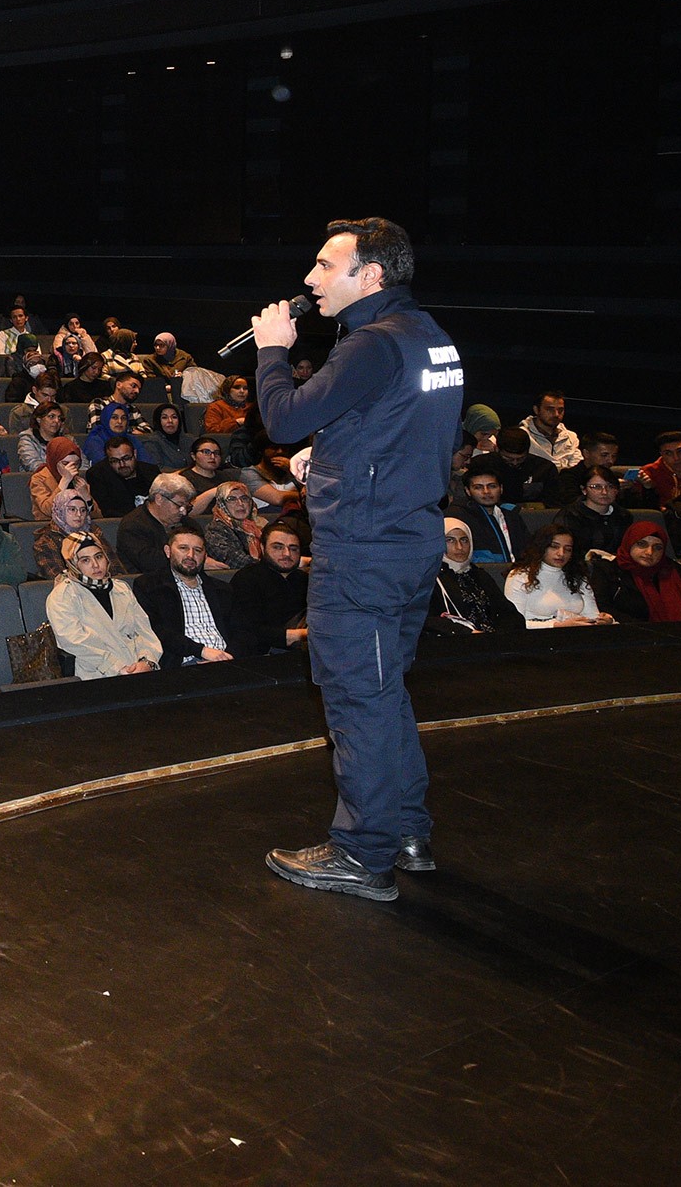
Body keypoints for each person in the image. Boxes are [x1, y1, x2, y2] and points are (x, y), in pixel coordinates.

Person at [250, 218, 460, 900]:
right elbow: (404, 427)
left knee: (356, 702)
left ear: (368, 275)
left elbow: (281, 419)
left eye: (323, 266)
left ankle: (362, 854)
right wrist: (335, 454)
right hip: (408, 541)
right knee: (385, 693)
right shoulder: (429, 337)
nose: (310, 280)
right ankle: (405, 831)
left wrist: (272, 353)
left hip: (363, 553)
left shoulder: (369, 345)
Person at [45, 535, 163, 678]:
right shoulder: (63, 595)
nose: (95, 565)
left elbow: (144, 631)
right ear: (73, 564)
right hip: (95, 675)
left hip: (137, 669)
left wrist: (147, 661)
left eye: (99, 556)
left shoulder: (121, 588)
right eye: (85, 560)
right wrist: (117, 667)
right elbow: (74, 642)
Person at [134, 523, 247, 664]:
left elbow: (243, 632)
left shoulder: (222, 589)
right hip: (184, 662)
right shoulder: (149, 586)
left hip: (227, 661)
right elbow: (156, 631)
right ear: (168, 551)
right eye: (183, 548)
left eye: (198, 550)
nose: (191, 555)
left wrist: (227, 656)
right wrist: (201, 651)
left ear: (205, 555)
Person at [425, 517, 521, 636]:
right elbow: (424, 619)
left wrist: (497, 636)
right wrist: (467, 632)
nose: (459, 547)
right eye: (450, 540)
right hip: (454, 644)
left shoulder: (479, 575)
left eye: (464, 540)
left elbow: (510, 615)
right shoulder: (429, 578)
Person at [596, 520, 681, 622]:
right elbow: (603, 608)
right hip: (629, 636)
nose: (649, 552)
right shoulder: (608, 571)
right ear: (629, 543)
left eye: (657, 548)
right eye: (642, 544)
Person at [228, 523, 312, 655]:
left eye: (294, 548)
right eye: (278, 547)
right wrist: (300, 634)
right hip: (267, 653)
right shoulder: (247, 579)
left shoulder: (306, 580)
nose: (287, 553)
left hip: (310, 647)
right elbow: (247, 629)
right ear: (262, 548)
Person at [503, 527, 605, 627]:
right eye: (554, 547)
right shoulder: (519, 576)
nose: (561, 553)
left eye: (568, 549)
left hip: (577, 636)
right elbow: (515, 624)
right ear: (542, 547)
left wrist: (604, 621)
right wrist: (556, 625)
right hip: (536, 638)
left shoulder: (577, 576)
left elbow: (592, 616)